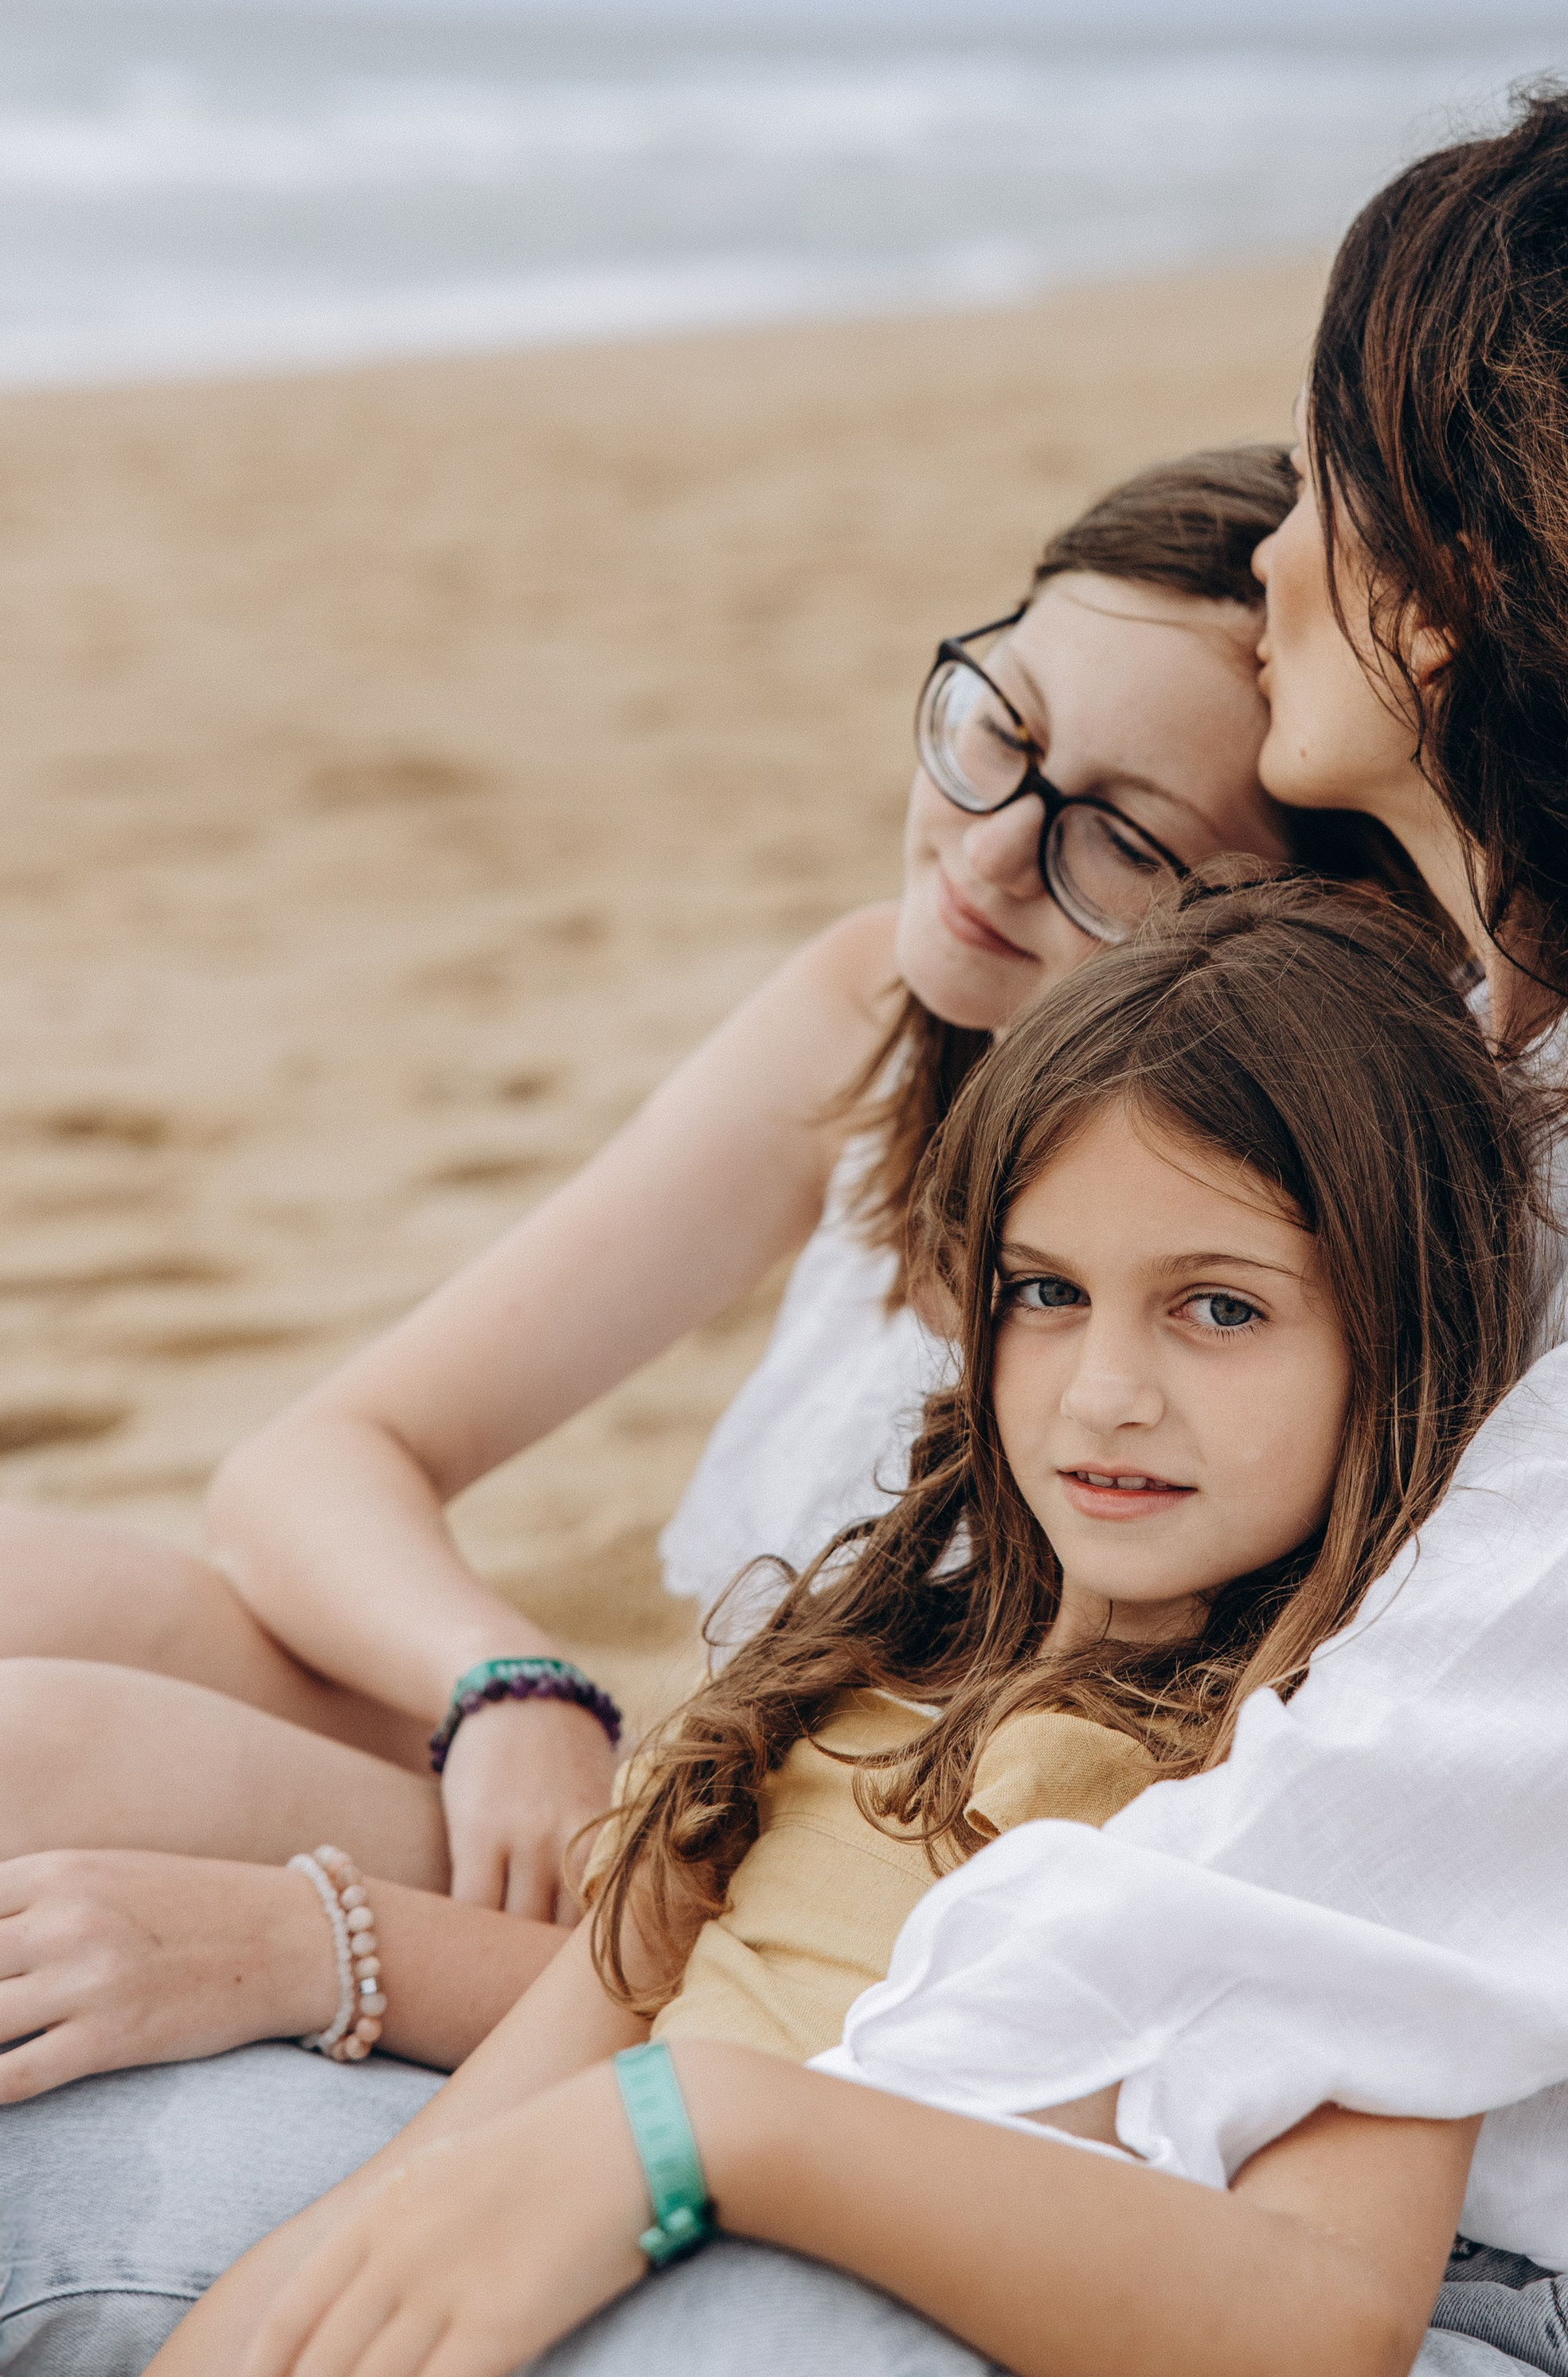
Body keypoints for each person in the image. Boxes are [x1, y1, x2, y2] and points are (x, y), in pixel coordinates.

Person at [13, 84, 1568, 2377]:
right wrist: (586, 2064)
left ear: (1462, 586)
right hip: (1104, 2123)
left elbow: (1374, 1859)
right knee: (64, 2163)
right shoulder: (1515, 1060)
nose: (1278, 556)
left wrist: (685, 2110)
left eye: (1330, 485)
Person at [0, 444, 1405, 2097]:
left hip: (793, 1915)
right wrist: (502, 1681)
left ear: (1267, 920)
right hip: (661, 1780)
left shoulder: (1251, 1251)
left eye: (1114, 837)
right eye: (996, 729)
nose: (986, 851)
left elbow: (929, 1939)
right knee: (43, 1586)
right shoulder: (879, 1015)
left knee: (44, 1748)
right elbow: (314, 1461)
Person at [21, 883, 1531, 2377]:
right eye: (1048, 1292)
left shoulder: (1343, 1764)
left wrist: (724, 2132)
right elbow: (446, 2166)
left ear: (1401, 1329)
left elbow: (1325, 2320)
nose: (1105, 1391)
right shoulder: (850, 1686)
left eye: (1220, 1309)